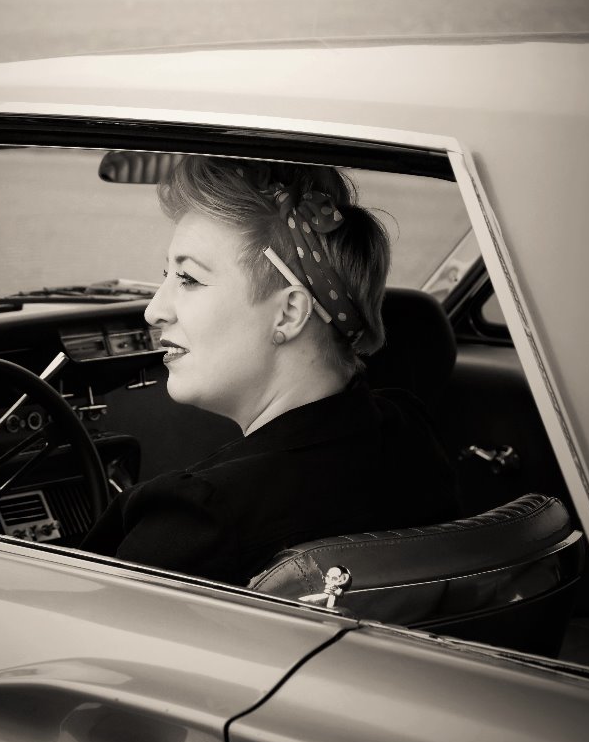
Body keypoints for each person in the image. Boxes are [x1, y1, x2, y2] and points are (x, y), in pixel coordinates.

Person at [81, 156, 458, 585]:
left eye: (188, 279)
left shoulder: (200, 520)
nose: (154, 311)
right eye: (166, 276)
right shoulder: (410, 435)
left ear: (289, 313)